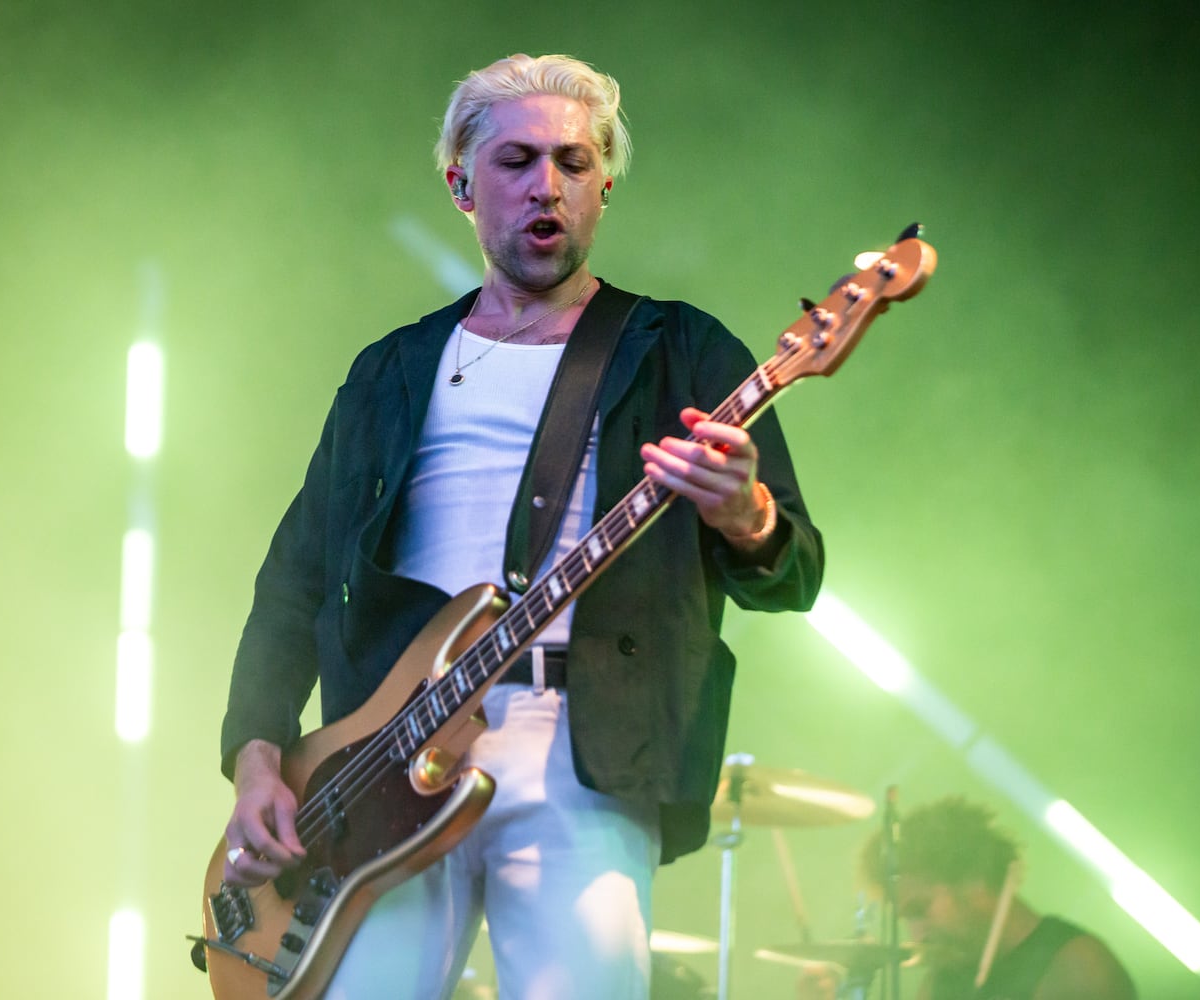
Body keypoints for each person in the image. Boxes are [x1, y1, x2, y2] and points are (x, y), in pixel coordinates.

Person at [217, 53, 824, 999]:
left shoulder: (683, 351)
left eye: (575, 164)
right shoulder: (389, 371)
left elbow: (794, 574)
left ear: (605, 185)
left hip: (581, 748)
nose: (548, 185)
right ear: (462, 185)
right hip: (381, 756)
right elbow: (293, 583)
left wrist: (743, 511)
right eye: (516, 161)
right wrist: (259, 755)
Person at [802, 796, 1136, 1000]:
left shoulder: (1075, 966)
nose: (916, 934)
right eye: (907, 919)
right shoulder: (947, 979)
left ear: (974, 882)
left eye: (921, 909)